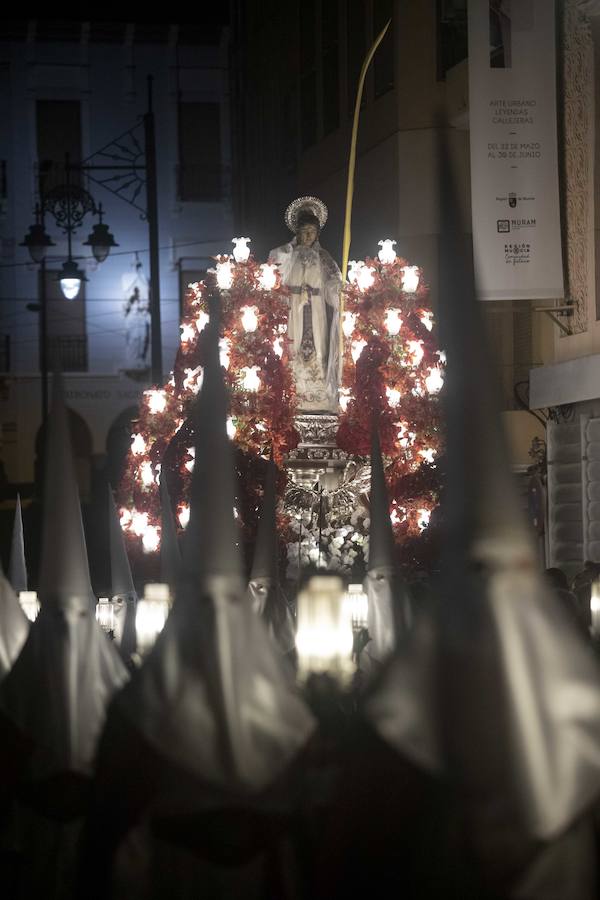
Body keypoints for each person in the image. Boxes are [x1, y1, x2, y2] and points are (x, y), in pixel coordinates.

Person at [269, 196, 341, 412]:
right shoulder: (288, 254)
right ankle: (293, 390)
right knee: (293, 343)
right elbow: (274, 271)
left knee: (317, 344)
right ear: (297, 233)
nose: (309, 236)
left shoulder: (323, 257)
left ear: (317, 234)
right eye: (305, 231)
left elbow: (332, 282)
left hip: (315, 307)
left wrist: (339, 291)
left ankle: (317, 392)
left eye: (312, 231)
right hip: (294, 308)